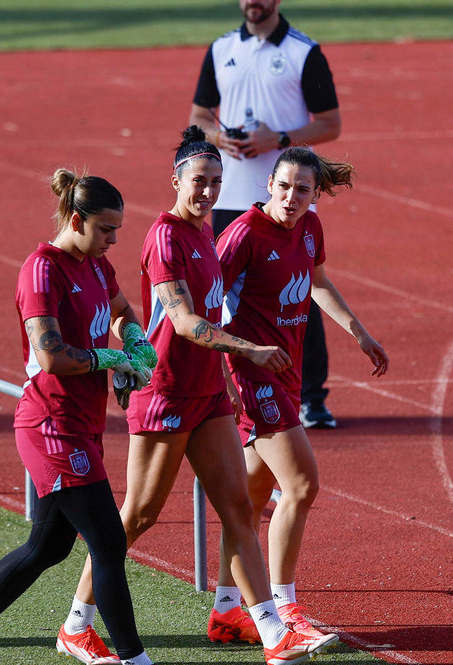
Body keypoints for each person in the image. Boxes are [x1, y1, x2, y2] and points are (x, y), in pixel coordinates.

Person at [57, 127, 334, 665]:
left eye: (215, 182)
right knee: (138, 515)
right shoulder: (165, 238)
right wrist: (248, 350)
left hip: (207, 393)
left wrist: (228, 377)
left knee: (237, 507)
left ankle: (273, 630)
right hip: (167, 394)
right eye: (198, 181)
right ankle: (76, 625)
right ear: (176, 180)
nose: (207, 191)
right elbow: (184, 322)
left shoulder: (206, 234)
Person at [0, 169, 200, 665]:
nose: (114, 240)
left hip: (80, 424)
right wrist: (110, 358)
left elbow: (122, 311)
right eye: (105, 228)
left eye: (118, 230)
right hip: (50, 426)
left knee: (47, 547)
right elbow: (52, 355)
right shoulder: (42, 271)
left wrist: (139, 343)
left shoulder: (95, 266)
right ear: (75, 219)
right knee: (107, 541)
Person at [215, 147, 389, 643]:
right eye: (285, 186)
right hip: (254, 375)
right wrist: (227, 372)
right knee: (301, 486)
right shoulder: (243, 236)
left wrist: (360, 332)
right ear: (268, 184)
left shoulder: (309, 228)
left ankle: (228, 608)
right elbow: (205, 308)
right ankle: (283, 608)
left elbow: (316, 281)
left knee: (248, 497)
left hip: (286, 375)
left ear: (316, 195)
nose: (292, 198)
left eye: (304, 190)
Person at [190, 0, 342, 429]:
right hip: (230, 195)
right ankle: (224, 386)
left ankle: (311, 397)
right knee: (221, 297)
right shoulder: (220, 50)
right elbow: (198, 118)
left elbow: (330, 123)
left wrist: (279, 138)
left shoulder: (303, 52)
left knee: (299, 295)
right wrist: (222, 137)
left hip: (289, 195)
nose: (253, 2)